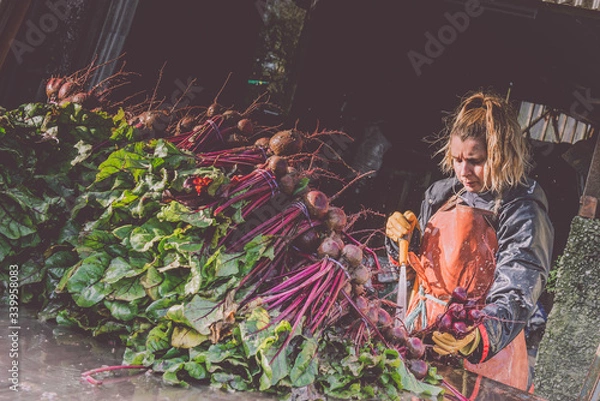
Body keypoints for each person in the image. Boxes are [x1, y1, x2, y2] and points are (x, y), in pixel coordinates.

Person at [385, 91, 554, 391]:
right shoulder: (441, 194)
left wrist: (477, 335)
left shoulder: (523, 208)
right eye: (457, 159)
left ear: (503, 156)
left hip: (484, 357)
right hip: (422, 339)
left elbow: (518, 288)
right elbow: (416, 272)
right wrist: (401, 240)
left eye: (475, 161)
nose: (464, 171)